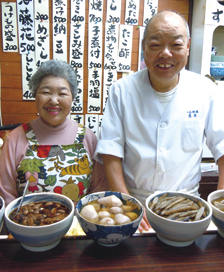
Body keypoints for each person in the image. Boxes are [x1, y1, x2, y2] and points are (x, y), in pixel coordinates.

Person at [95, 10, 224, 231]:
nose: (165, 54)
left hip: (187, 206)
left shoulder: (206, 90)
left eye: (175, 45)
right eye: (155, 45)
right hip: (134, 201)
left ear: (188, 46)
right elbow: (111, 151)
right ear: (143, 47)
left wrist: (220, 204)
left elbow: (222, 148)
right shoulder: (122, 90)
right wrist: (128, 205)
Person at [0, 59, 108, 207]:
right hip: (27, 226)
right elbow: (6, 194)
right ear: (35, 96)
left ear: (72, 98)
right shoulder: (14, 139)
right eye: (46, 92)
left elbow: (99, 189)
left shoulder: (88, 138)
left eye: (62, 93)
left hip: (78, 226)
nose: (54, 100)